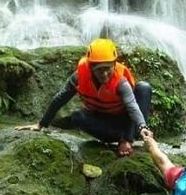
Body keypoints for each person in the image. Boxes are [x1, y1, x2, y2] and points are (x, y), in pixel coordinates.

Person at [18, 38, 152, 157]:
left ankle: (127, 139)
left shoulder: (121, 83)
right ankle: (120, 138)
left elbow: (132, 106)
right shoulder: (79, 77)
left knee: (144, 88)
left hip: (128, 123)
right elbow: (61, 98)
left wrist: (141, 127)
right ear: (91, 67)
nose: (105, 74)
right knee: (78, 116)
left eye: (108, 68)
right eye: (99, 70)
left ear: (114, 65)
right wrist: (41, 124)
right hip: (105, 127)